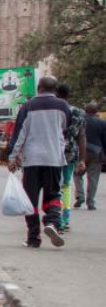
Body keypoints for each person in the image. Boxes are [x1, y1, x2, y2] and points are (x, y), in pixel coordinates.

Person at [7, 76, 76, 248]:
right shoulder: (63, 106)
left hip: (32, 160)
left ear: (38, 87)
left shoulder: (27, 107)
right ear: (55, 89)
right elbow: (66, 131)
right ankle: (52, 223)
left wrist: (12, 157)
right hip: (54, 158)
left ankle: (33, 238)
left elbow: (19, 135)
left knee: (30, 200)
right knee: (53, 194)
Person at [54, 83, 87, 232]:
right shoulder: (78, 112)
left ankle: (54, 217)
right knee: (66, 186)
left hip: (53, 152)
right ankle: (65, 218)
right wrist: (82, 159)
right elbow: (82, 136)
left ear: (56, 93)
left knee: (54, 186)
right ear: (69, 95)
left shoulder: (53, 110)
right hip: (71, 154)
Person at [77, 102, 104, 211]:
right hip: (96, 153)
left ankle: (80, 196)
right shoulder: (102, 123)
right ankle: (91, 202)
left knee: (77, 174)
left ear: (85, 110)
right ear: (96, 112)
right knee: (93, 178)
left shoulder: (80, 121)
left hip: (80, 152)